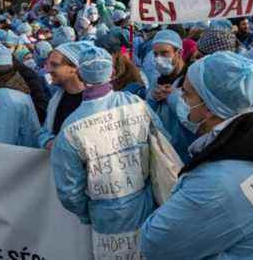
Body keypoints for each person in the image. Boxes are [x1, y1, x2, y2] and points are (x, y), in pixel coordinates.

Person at [140, 52, 253, 259]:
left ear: (209, 107)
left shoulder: (216, 183)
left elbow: (155, 243)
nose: (180, 97)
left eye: (187, 94)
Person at [51, 46, 168, 260]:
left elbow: (69, 191)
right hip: (147, 211)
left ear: (79, 74)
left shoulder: (70, 128)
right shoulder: (136, 104)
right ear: (112, 73)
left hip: (106, 222)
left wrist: (90, 213)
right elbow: (163, 145)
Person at [146, 30, 195, 162]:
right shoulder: (157, 80)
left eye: (164, 53)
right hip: (163, 154)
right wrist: (152, 98)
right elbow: (148, 115)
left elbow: (195, 121)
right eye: (155, 54)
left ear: (179, 53)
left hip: (186, 154)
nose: (159, 59)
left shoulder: (191, 80)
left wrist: (173, 98)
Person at [37, 42, 92, 149]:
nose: (47, 70)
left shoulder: (92, 101)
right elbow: (44, 131)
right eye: (48, 64)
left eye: (55, 65)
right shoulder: (56, 99)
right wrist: (49, 142)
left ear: (74, 68)